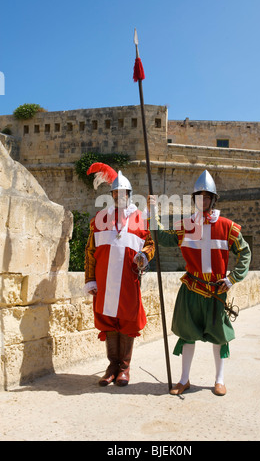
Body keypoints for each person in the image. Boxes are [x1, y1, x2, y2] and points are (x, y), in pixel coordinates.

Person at [148, 170, 251, 396]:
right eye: (198, 197)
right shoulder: (185, 225)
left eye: (206, 197)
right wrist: (153, 212)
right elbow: (162, 239)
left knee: (219, 337)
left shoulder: (227, 227)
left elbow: (245, 252)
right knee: (187, 334)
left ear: (213, 199)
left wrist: (232, 278)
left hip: (216, 291)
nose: (202, 201)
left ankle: (219, 379)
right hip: (192, 289)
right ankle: (184, 379)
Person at [85, 164, 155, 387]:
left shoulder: (140, 219)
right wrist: (90, 280)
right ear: (112, 195)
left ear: (129, 195)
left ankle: (124, 367)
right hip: (105, 281)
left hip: (128, 280)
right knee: (108, 322)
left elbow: (150, 244)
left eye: (123, 193)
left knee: (126, 321)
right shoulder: (100, 219)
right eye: (116, 193)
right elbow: (90, 251)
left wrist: (144, 255)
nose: (120, 196)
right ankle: (112, 366)